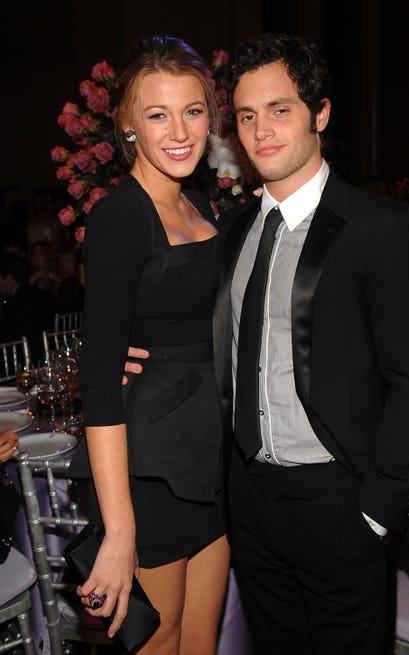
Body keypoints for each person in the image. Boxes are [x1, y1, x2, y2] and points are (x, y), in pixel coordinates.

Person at [213, 32, 409, 655]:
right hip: (251, 502)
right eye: (246, 115)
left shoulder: (384, 230)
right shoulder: (234, 230)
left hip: (341, 499)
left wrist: (376, 511)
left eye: (280, 109)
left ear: (320, 113)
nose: (261, 129)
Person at [67, 35, 230, 655]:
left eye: (192, 111)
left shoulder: (204, 203)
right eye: (157, 114)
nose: (179, 131)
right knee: (157, 646)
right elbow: (101, 378)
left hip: (209, 457)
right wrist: (119, 530)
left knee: (200, 644)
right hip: (146, 467)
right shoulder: (120, 217)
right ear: (128, 127)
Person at [0, 251, 57, 364]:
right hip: (49, 355)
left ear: (9, 278)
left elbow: (6, 342)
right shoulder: (44, 295)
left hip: (22, 363)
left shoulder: (13, 305)